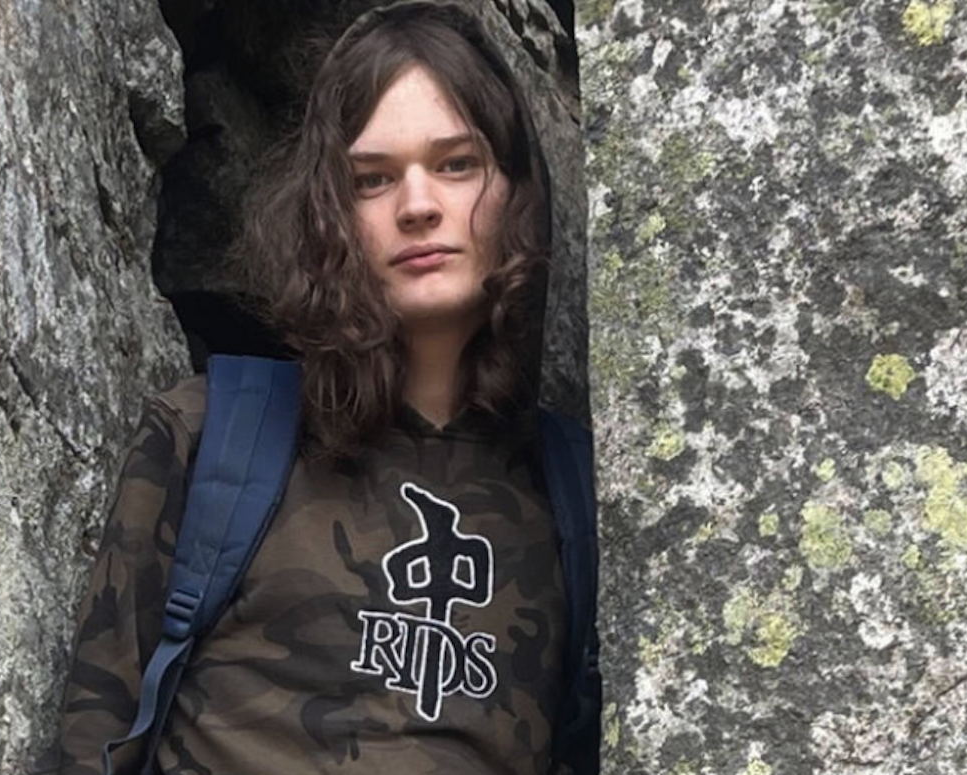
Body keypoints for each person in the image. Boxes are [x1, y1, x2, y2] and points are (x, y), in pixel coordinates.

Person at [47, 2, 598, 773]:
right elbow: (88, 749)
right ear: (329, 215)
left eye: (455, 164)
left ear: (515, 194)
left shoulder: (580, 501)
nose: (417, 205)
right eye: (372, 178)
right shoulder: (213, 435)